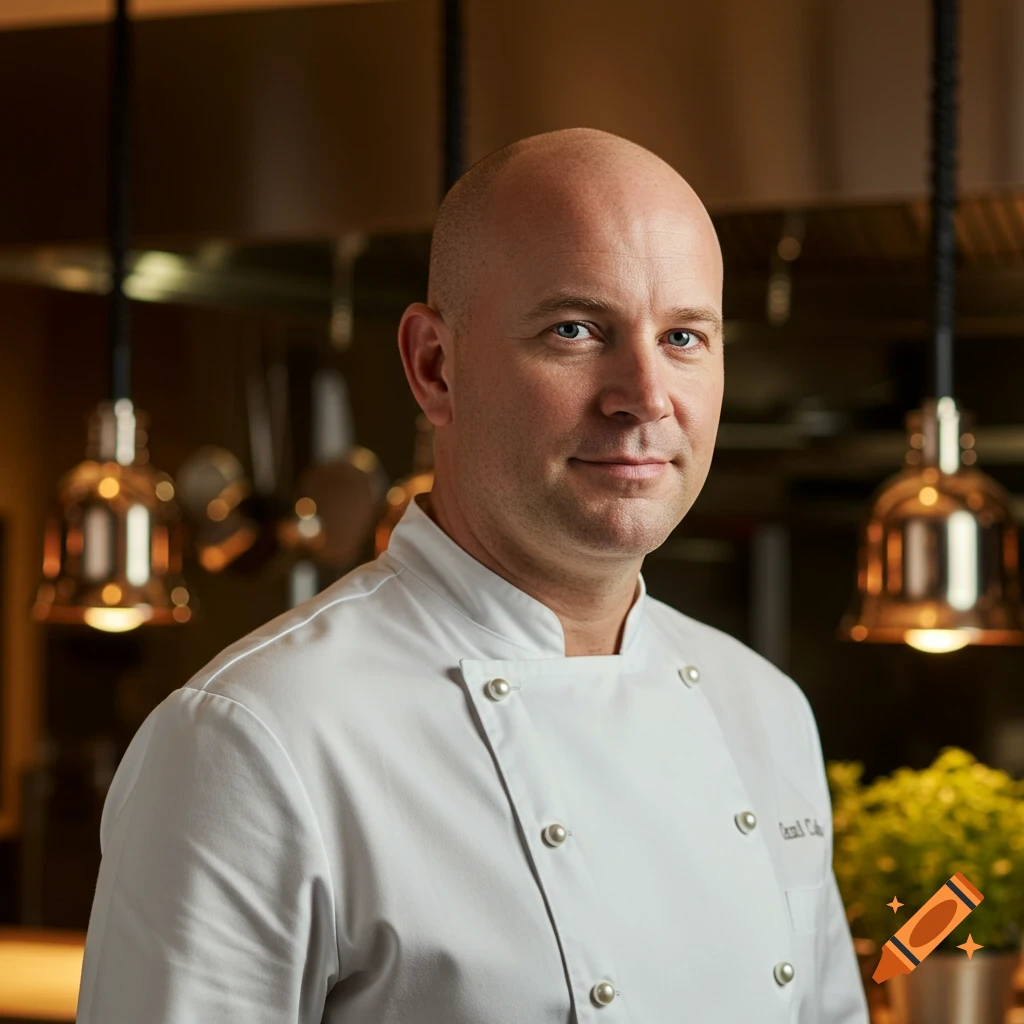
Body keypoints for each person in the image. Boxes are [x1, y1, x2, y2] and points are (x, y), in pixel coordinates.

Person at [76, 127, 869, 1023]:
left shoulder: (762, 708)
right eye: (576, 330)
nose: (646, 396)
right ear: (434, 367)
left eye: (685, 336)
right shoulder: (254, 740)